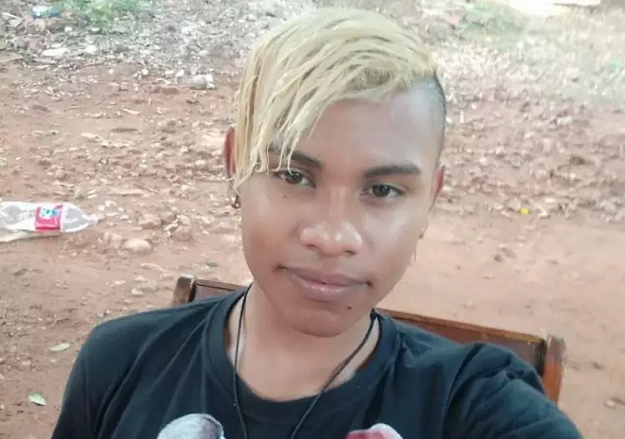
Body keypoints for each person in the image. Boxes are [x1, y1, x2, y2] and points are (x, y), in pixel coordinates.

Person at [51, 8, 583, 439]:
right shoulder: (122, 365)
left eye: (383, 190)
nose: (332, 238)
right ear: (235, 166)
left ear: (430, 201)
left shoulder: (473, 401)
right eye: (294, 175)